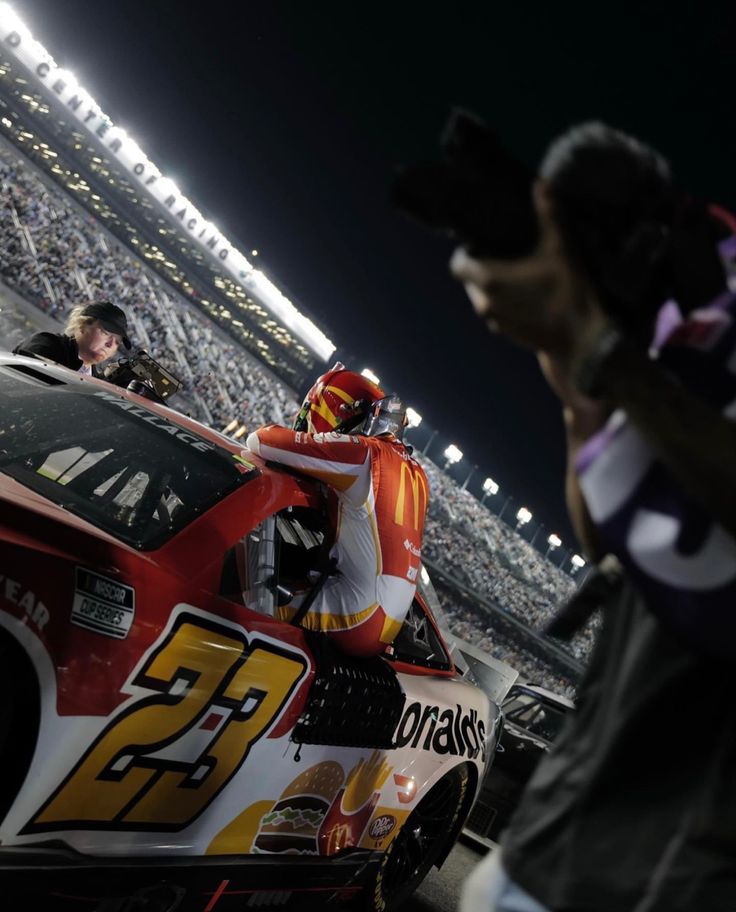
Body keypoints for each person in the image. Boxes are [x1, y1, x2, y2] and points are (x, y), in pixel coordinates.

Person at [451, 123, 736, 911]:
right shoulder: (712, 299)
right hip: (548, 852)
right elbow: (614, 533)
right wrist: (575, 378)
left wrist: (599, 346)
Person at [246, 361, 429, 657]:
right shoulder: (416, 472)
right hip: (386, 617)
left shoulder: (365, 453)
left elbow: (261, 440)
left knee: (233, 601)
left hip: (359, 612)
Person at [12, 300, 131, 374]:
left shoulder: (97, 381)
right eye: (106, 333)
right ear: (82, 325)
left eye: (117, 342)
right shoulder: (47, 344)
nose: (110, 345)